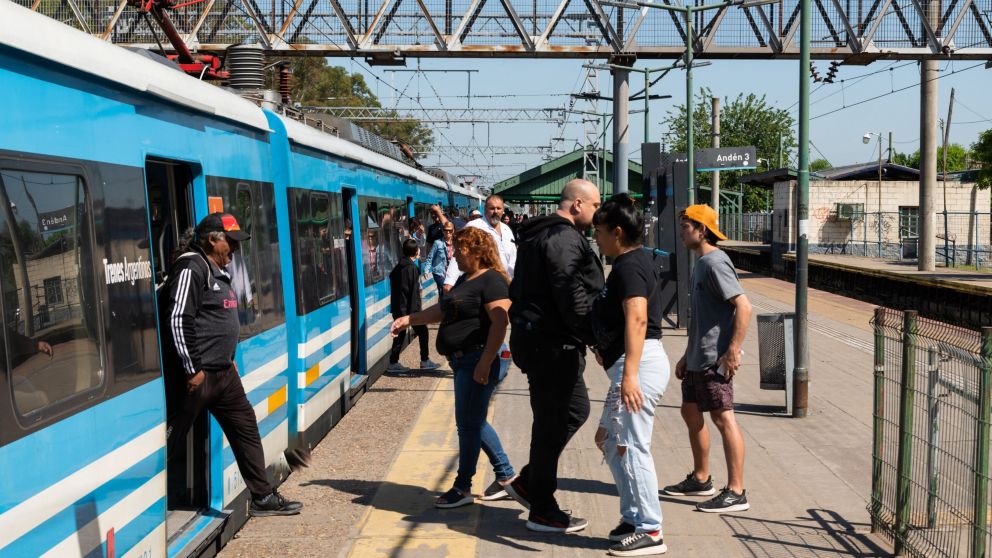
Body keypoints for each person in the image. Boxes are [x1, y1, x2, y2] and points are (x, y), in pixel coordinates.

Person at [162, 212, 302, 517]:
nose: (235, 250)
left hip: (223, 374)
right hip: (198, 377)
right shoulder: (191, 266)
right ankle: (147, 509)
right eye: (231, 243)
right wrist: (192, 368)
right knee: (170, 442)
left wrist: (229, 357)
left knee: (245, 428)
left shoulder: (217, 270)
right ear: (213, 240)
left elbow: (218, 320)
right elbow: (178, 318)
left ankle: (262, 497)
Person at [391, 227, 517, 508]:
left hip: (477, 358)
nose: (454, 254)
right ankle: (506, 476)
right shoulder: (465, 278)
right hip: (462, 361)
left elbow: (500, 322)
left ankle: (463, 487)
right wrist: (409, 319)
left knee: (468, 425)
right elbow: (443, 311)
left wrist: (484, 362)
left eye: (459, 249)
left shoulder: (493, 281)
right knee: (472, 422)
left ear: (475, 251)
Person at [504, 179, 604, 533]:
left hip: (539, 340)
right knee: (552, 422)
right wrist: (596, 340)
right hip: (551, 345)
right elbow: (570, 295)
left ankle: (530, 482)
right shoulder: (562, 238)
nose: (597, 214)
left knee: (570, 412)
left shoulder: (539, 234)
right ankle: (542, 509)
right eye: (594, 206)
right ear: (577, 204)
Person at [590, 194, 669, 556]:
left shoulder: (630, 266)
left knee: (633, 446)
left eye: (600, 232)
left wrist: (630, 376)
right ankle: (634, 516)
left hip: (638, 367)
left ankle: (651, 530)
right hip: (626, 368)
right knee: (607, 439)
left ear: (617, 232)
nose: (596, 238)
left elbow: (637, 317)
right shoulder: (627, 263)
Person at [661, 204, 753, 513]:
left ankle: (737, 491)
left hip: (716, 360)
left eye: (687, 226)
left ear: (702, 230)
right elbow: (703, 317)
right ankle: (701, 479)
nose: (681, 231)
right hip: (699, 358)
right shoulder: (701, 263)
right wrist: (688, 355)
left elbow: (743, 306)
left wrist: (732, 350)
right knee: (690, 412)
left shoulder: (715, 263)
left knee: (723, 417)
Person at [388, 239, 441, 373]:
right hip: (409, 309)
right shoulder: (412, 268)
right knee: (423, 332)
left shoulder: (399, 266)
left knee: (400, 335)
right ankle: (424, 361)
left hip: (399, 307)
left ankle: (393, 363)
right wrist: (415, 314)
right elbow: (413, 293)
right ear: (415, 251)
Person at [444, 195, 516, 292]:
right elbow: (460, 252)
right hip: (482, 285)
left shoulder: (507, 230)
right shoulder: (474, 226)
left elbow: (513, 259)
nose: (495, 211)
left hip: (506, 284)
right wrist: (450, 280)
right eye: (492, 208)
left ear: (502, 210)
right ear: (485, 209)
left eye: (498, 208)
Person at [426, 222, 455, 294]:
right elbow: (430, 257)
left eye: (450, 230)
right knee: (446, 290)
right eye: (446, 230)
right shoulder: (437, 243)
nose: (448, 232)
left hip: (451, 272)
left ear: (453, 231)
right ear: (442, 231)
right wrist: (426, 270)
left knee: (445, 293)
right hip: (439, 272)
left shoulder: (456, 242)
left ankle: (442, 303)